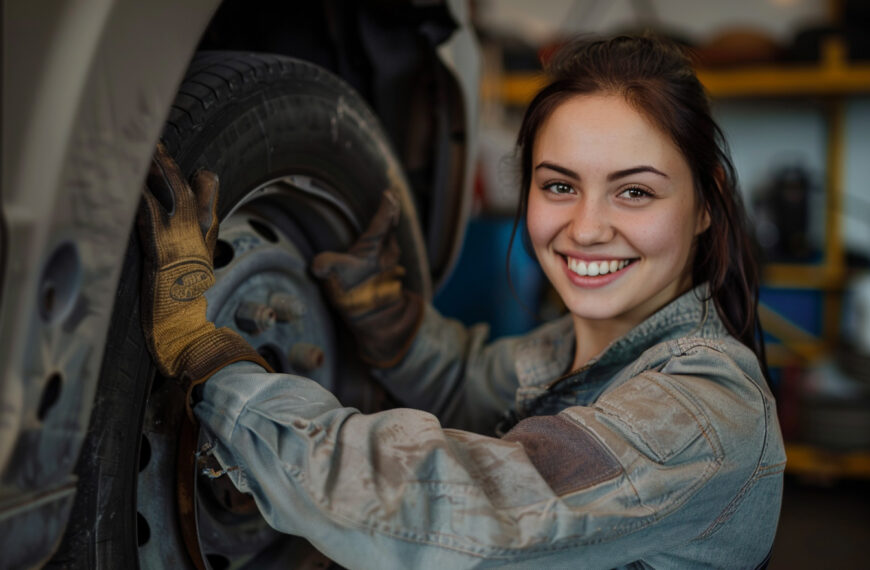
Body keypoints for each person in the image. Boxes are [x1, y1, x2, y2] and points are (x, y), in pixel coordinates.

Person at [137, 35, 785, 569]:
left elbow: (458, 506)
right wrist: (392, 324)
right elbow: (472, 383)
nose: (587, 228)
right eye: (559, 185)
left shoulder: (702, 411)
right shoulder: (572, 348)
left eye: (635, 192)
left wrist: (218, 368)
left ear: (706, 202)